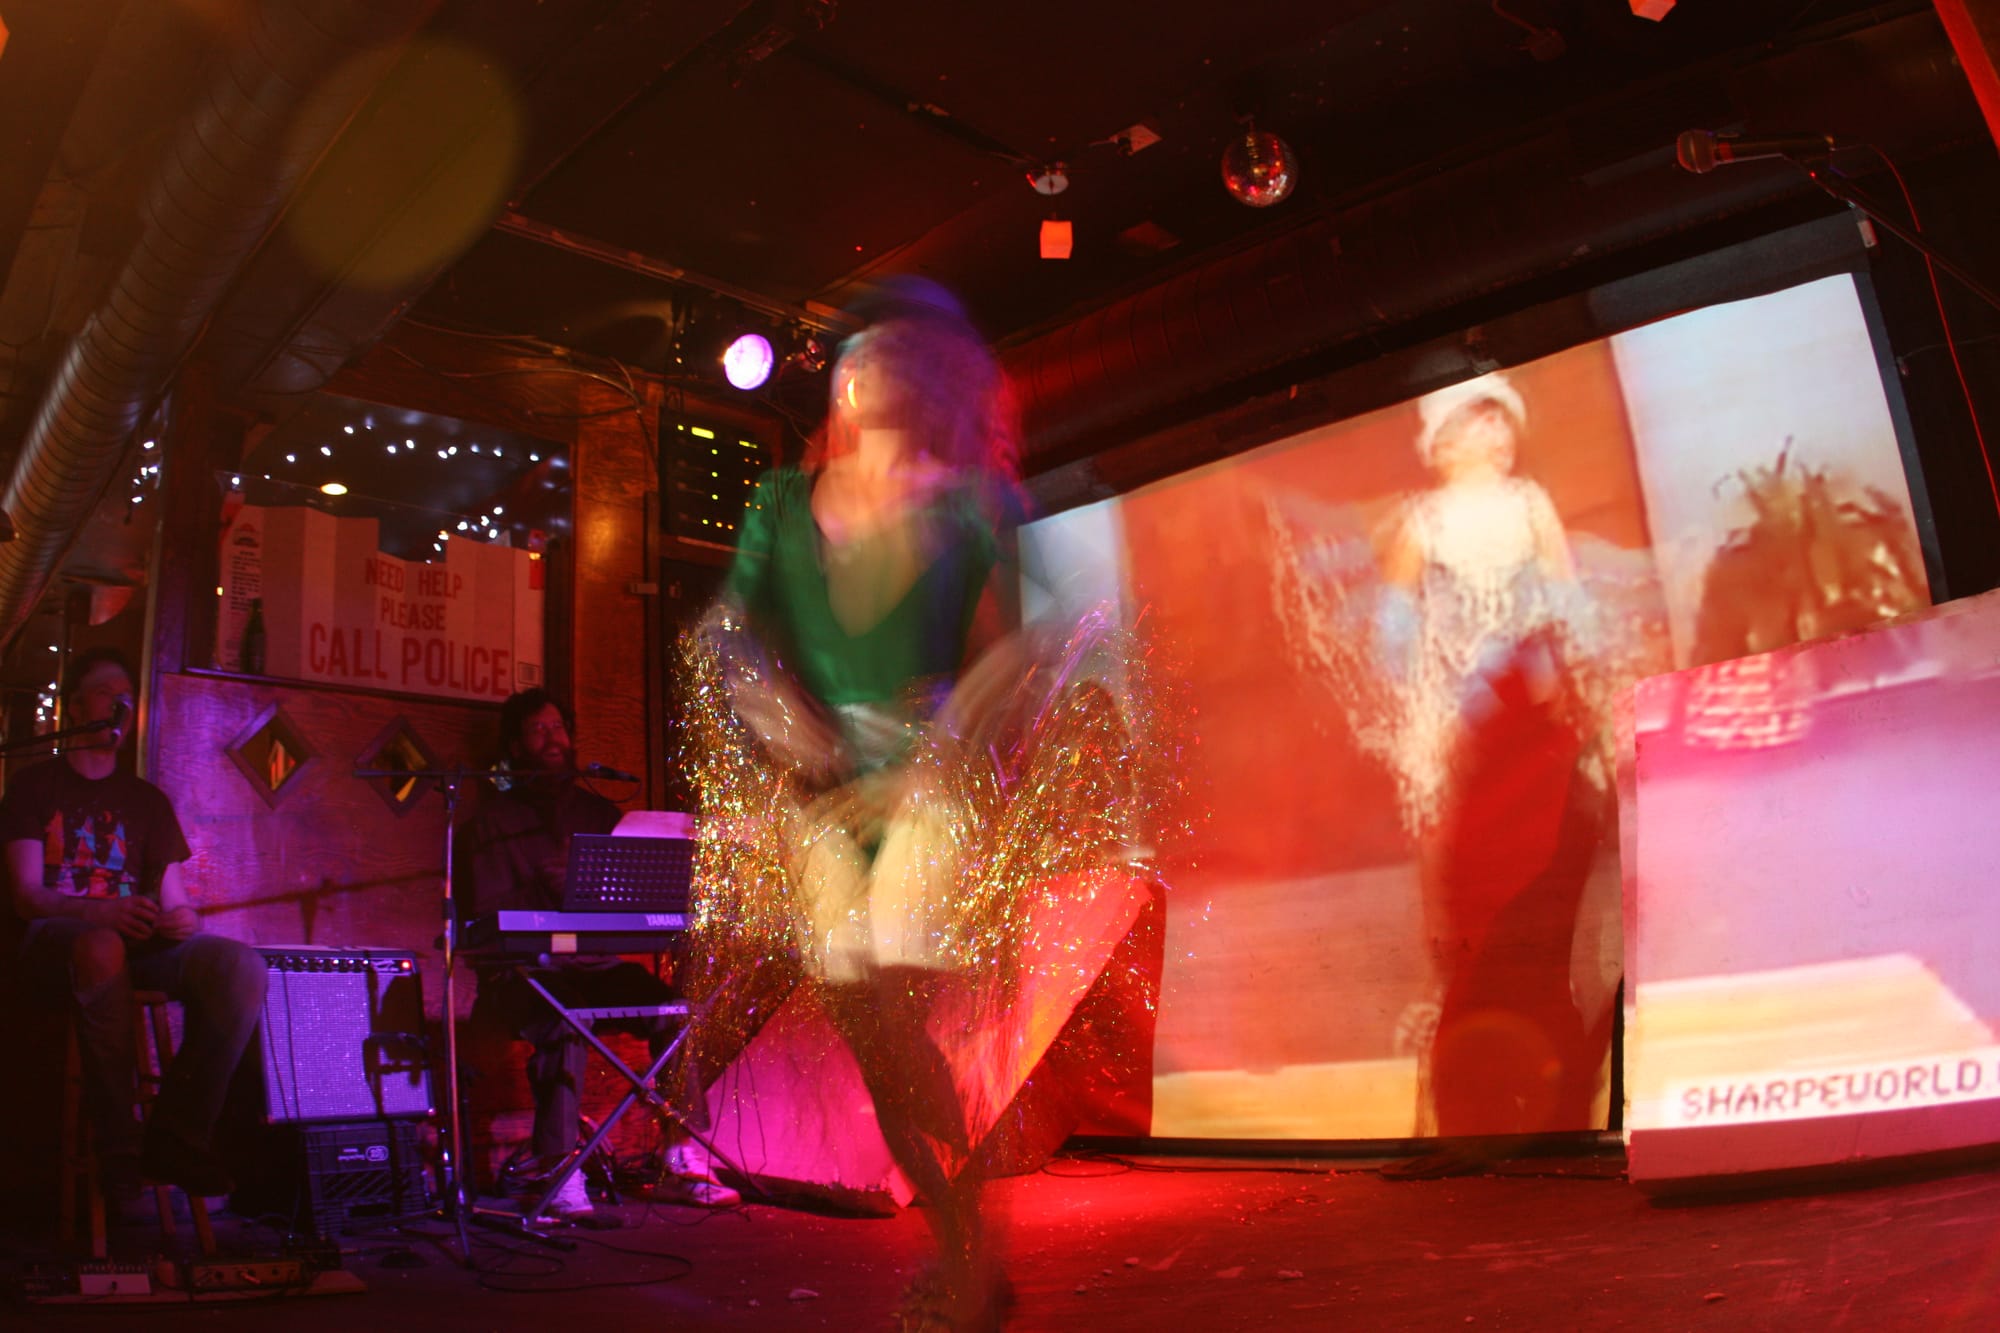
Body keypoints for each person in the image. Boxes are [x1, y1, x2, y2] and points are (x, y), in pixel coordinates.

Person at [686, 278, 1036, 1332]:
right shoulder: (781, 506)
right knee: (860, 1011)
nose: (868, 372)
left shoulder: (973, 504)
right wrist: (786, 723)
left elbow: (1007, 652)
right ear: (838, 385)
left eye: (893, 357)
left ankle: (972, 1229)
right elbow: (726, 636)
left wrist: (937, 751)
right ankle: (959, 1224)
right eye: (856, 358)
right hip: (818, 790)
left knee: (888, 966)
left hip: (921, 781)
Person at [457, 689, 737, 1217]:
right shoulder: (490, 824)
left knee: (671, 1010)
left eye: (559, 726)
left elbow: (628, 904)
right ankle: (559, 1171)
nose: (552, 739)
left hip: (595, 965)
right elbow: (485, 924)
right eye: (538, 730)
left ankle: (681, 1158)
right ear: (515, 745)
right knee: (563, 1018)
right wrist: (545, 881)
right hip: (522, 975)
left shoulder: (599, 811)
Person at [1, 645, 267, 1199]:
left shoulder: (146, 801)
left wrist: (179, 920)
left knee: (238, 966)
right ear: (74, 707)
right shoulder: (32, 787)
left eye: (127, 693)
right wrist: (101, 912)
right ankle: (117, 1146)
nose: (120, 700)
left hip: (134, 943)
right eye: (105, 690)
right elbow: (27, 896)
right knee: (101, 945)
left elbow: (175, 899)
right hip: (55, 946)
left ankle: (178, 1135)